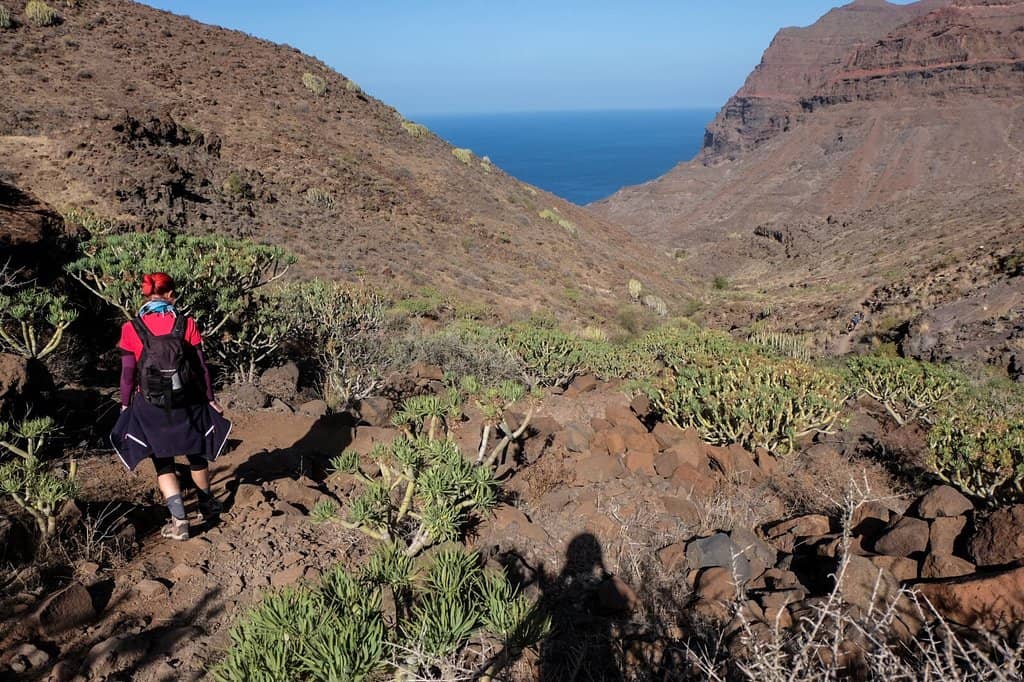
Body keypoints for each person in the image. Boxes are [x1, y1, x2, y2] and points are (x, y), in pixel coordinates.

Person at [111, 272, 231, 541]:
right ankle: (207, 505)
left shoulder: (131, 328)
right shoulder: (186, 323)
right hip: (186, 400)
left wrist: (125, 403)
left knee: (162, 459)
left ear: (145, 295)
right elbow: (201, 368)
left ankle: (180, 522)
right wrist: (209, 398)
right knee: (196, 452)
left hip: (150, 404)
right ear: (169, 294)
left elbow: (128, 372)